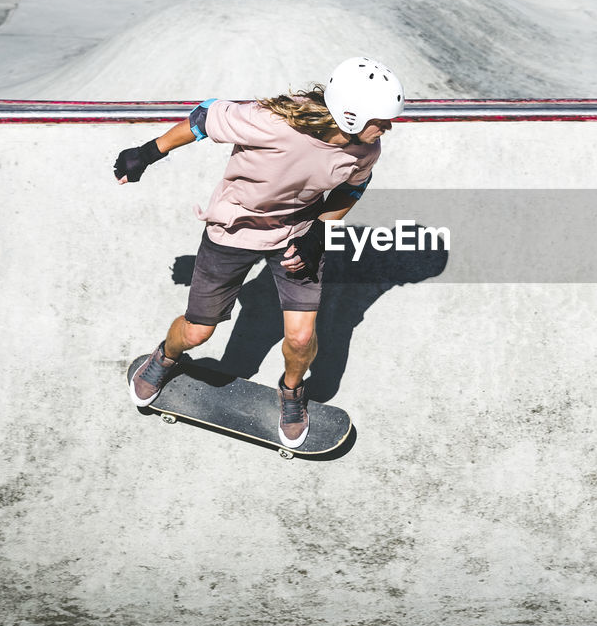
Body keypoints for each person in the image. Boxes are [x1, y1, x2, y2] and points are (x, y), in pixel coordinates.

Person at [114, 56, 404, 448]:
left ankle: (291, 391)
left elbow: (352, 188)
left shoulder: (366, 150)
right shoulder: (272, 123)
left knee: (301, 339)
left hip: (295, 238)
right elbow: (204, 116)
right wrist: (149, 152)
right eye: (382, 119)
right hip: (232, 229)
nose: (388, 128)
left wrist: (319, 229)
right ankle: (165, 356)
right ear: (350, 115)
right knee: (198, 333)